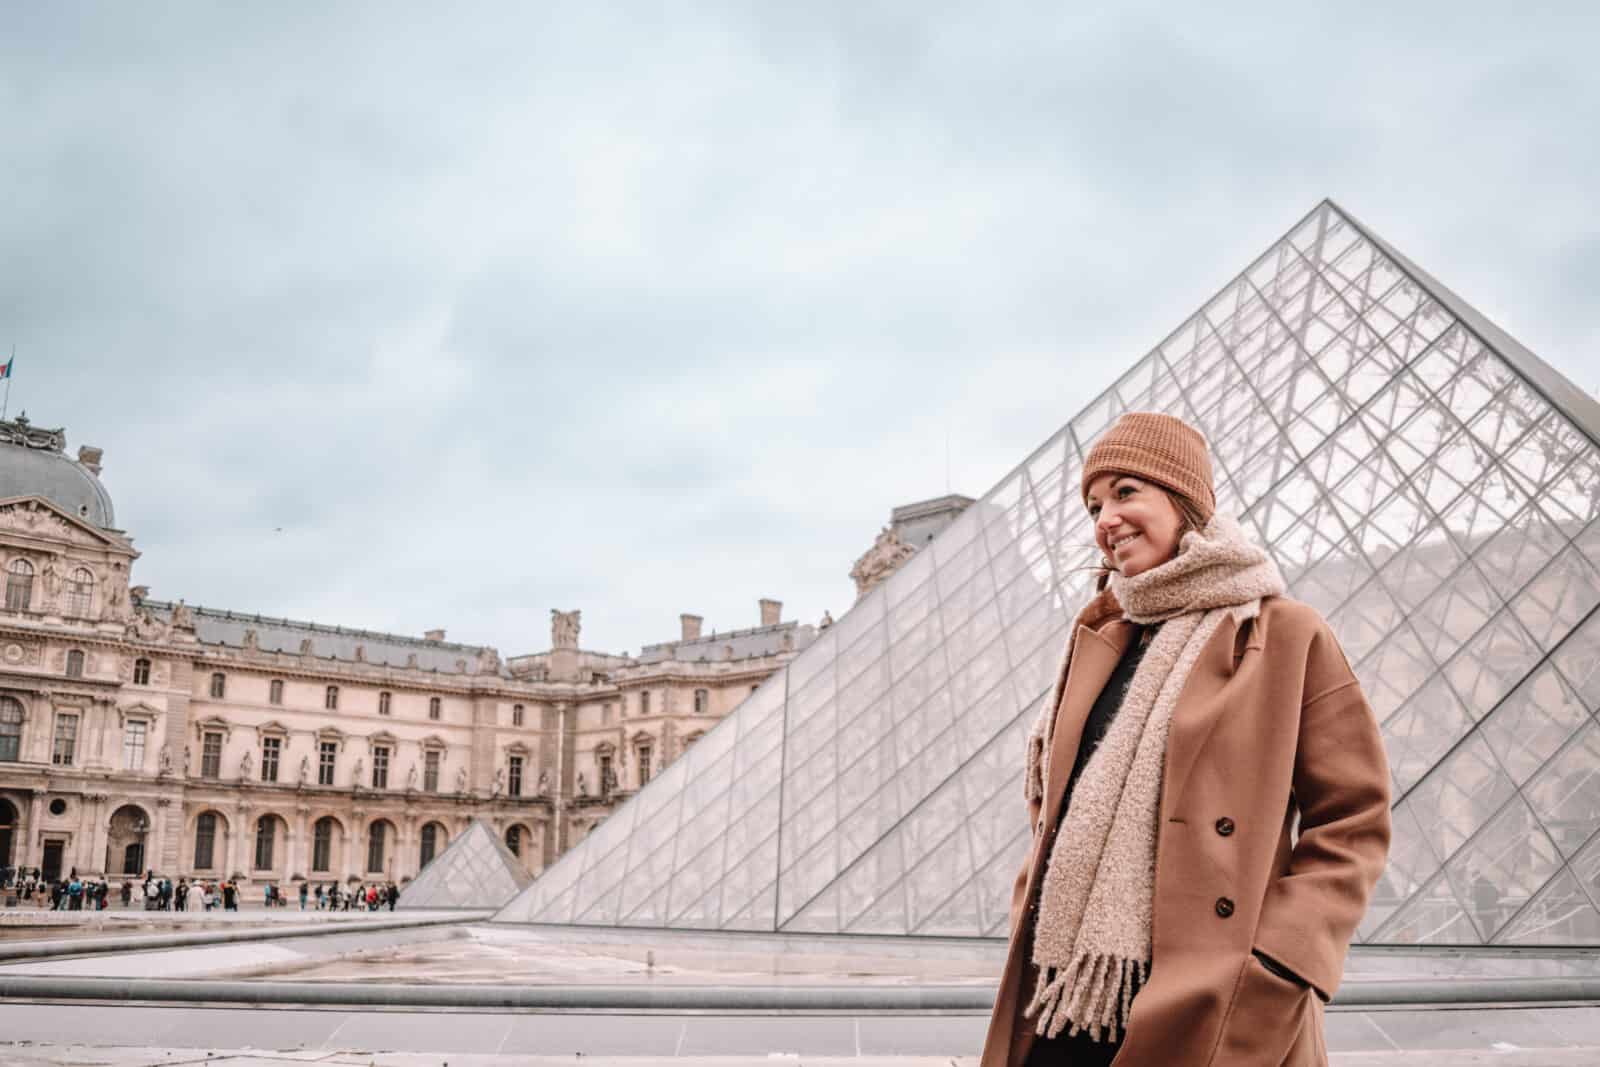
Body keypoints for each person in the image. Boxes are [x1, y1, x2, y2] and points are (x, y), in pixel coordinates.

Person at [981, 413, 1392, 1067]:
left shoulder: (1285, 634)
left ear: (1183, 499)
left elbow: (1354, 819)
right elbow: (1055, 812)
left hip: (1220, 996)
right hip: (1068, 994)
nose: (1104, 519)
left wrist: (1282, 960)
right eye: (1093, 503)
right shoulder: (1103, 637)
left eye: (1125, 492)